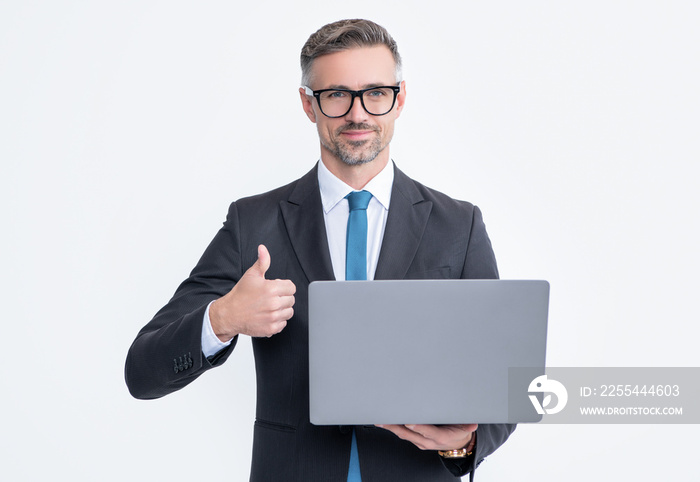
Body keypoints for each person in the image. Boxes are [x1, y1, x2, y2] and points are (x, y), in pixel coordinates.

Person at [125, 18, 515, 481]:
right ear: (309, 105)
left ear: (400, 99)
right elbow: (142, 371)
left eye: (375, 93)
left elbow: (505, 379)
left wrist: (464, 443)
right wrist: (223, 318)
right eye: (336, 95)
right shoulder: (254, 221)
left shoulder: (459, 225)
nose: (358, 114)